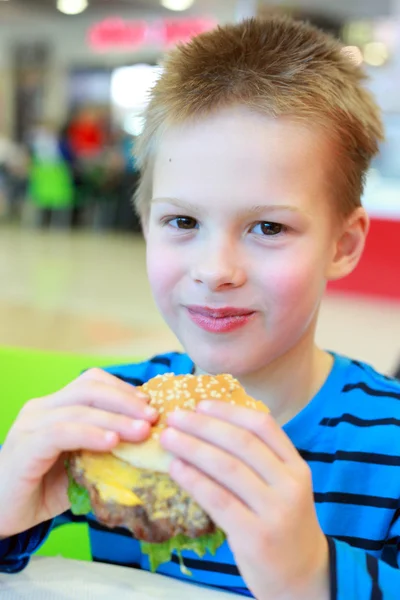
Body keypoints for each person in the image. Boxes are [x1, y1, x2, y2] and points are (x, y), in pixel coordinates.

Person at [1, 16, 400, 600]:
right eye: (182, 222)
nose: (216, 270)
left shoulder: (387, 441)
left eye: (269, 226)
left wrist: (312, 575)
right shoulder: (111, 417)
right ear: (145, 226)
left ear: (342, 245)